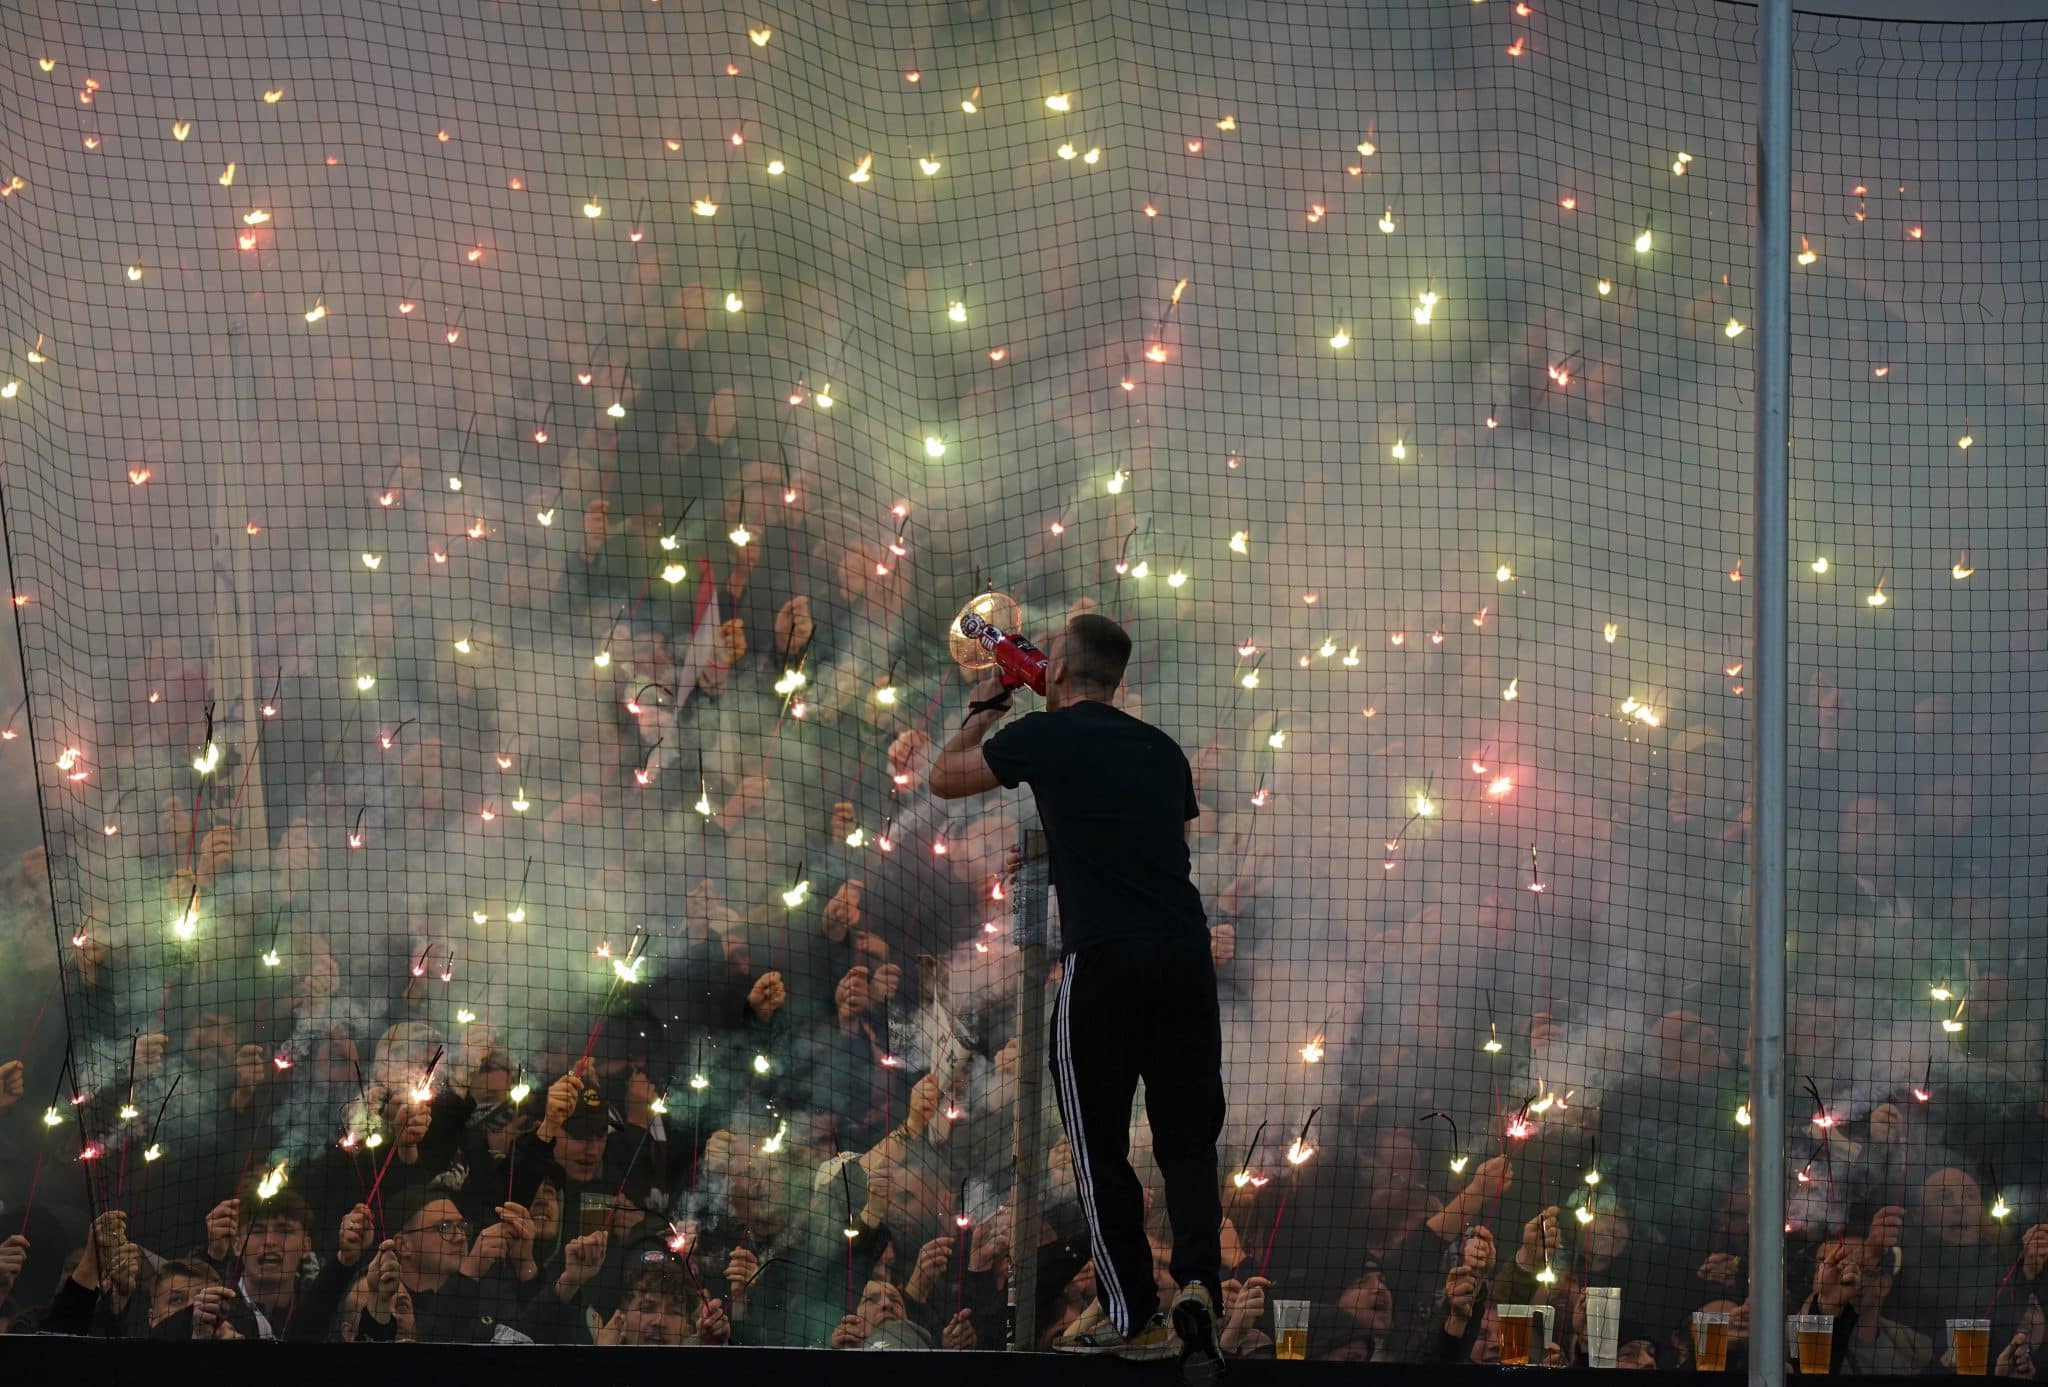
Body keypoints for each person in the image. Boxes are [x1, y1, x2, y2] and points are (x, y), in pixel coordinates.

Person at [927, 611, 1225, 1382]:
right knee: (1188, 1137)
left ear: (1054, 669)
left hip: (1106, 958)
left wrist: (992, 703)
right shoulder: (1163, 750)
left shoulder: (1047, 738)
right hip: (1185, 956)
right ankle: (1198, 1283)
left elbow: (943, 776)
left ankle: (1132, 1313)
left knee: (1095, 1144)